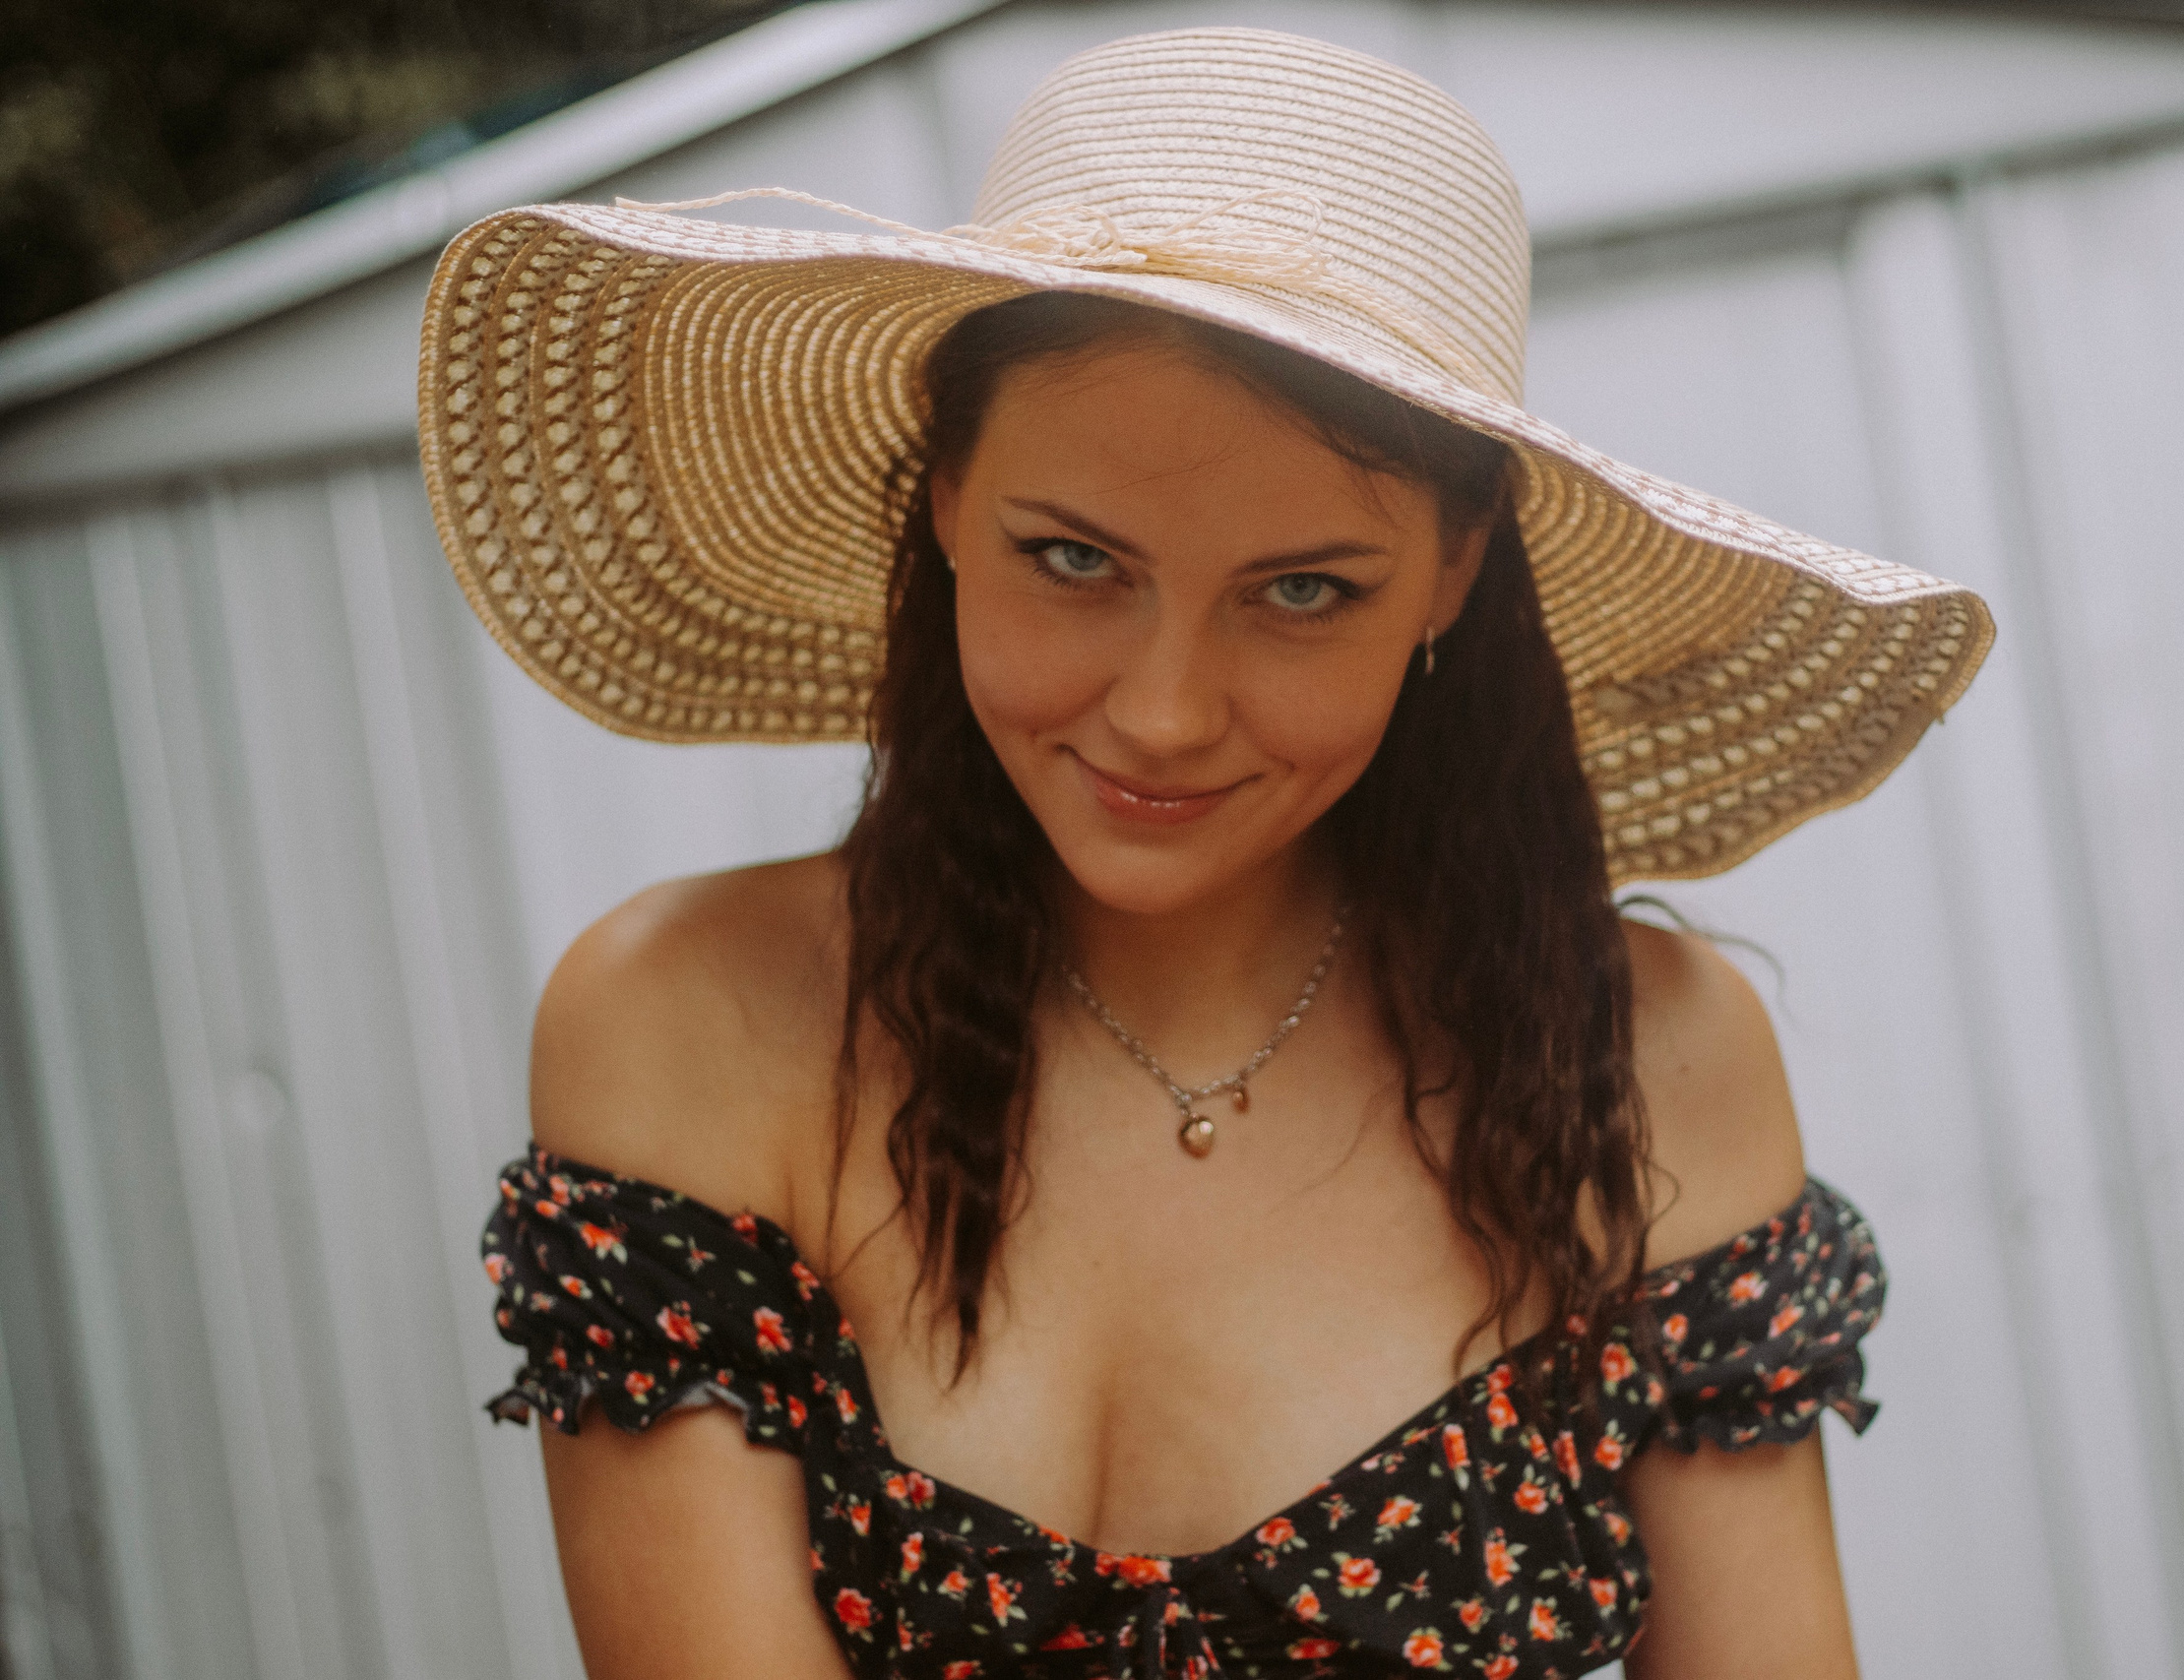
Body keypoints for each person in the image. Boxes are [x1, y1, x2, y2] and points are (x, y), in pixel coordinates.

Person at [432, 27, 1991, 1680]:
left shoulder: (1645, 1066)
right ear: (946, 499)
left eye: (1303, 589)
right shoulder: (689, 1028)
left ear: (1454, 577)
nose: (1165, 715)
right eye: (1074, 559)